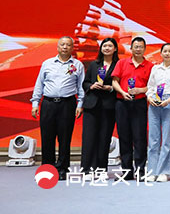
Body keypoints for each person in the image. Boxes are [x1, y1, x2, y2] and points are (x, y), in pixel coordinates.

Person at [30, 36, 85, 180]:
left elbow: (81, 87)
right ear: (58, 47)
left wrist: (80, 104)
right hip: (48, 104)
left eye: (68, 45)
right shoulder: (47, 63)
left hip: (68, 104)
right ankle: (47, 169)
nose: (65, 47)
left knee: (65, 138)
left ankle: (62, 169)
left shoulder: (78, 65)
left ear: (72, 48)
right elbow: (39, 84)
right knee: (47, 137)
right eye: (62, 44)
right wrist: (35, 103)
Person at [112, 36, 153, 180]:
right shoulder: (122, 63)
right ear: (131, 48)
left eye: (141, 47)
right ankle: (127, 171)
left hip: (139, 104)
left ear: (145, 49)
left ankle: (140, 170)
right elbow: (114, 81)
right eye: (136, 46)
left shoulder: (150, 66)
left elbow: (152, 86)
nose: (138, 49)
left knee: (140, 137)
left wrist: (140, 90)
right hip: (122, 103)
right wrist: (123, 92)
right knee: (124, 137)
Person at [146, 42, 170, 182]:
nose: (167, 53)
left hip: (169, 103)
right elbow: (150, 86)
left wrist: (169, 100)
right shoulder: (155, 68)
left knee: (166, 139)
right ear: (161, 53)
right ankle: (152, 171)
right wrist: (150, 98)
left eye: (169, 51)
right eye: (164, 51)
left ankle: (163, 171)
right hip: (154, 102)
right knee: (153, 139)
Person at [81, 37, 119, 175]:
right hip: (91, 105)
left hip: (109, 106)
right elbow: (85, 83)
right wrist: (91, 86)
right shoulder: (94, 64)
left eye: (110, 46)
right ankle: (86, 169)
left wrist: (110, 88)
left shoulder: (119, 65)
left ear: (115, 49)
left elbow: (121, 85)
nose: (107, 48)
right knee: (89, 138)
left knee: (104, 138)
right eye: (104, 46)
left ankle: (101, 169)